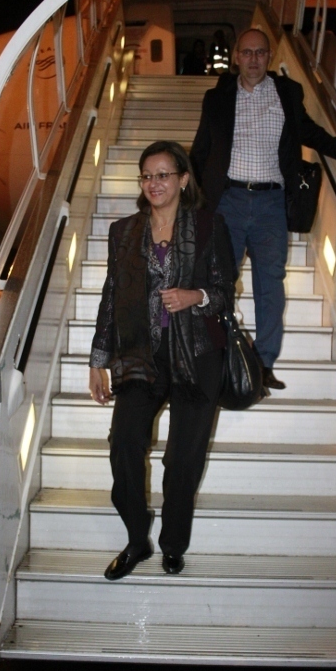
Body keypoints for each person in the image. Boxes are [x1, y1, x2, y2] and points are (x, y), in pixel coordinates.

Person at [89, 140, 235, 580]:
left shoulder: (210, 226)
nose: (154, 183)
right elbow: (112, 296)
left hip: (197, 356)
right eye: (147, 176)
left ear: (183, 179)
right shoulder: (124, 231)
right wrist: (99, 359)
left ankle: (173, 543)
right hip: (141, 357)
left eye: (163, 175)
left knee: (182, 460)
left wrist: (196, 296)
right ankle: (137, 539)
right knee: (124, 443)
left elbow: (225, 292)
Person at [190, 28, 336, 389]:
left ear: (268, 57)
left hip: (272, 202)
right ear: (237, 57)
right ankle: (221, 356)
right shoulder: (217, 98)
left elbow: (310, 132)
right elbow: (201, 149)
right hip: (229, 201)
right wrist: (188, 198)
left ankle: (263, 362)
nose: (254, 59)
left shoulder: (288, 93)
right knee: (218, 280)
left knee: (270, 284)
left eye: (260, 53)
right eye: (247, 52)